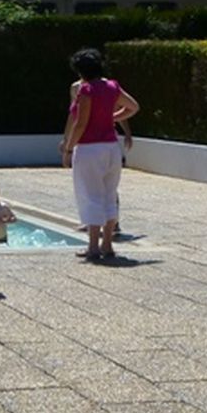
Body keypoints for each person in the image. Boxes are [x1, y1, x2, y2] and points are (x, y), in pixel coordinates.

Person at [59, 48, 140, 261]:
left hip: (89, 148)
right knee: (109, 194)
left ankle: (93, 246)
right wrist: (110, 116)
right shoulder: (112, 86)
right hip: (111, 147)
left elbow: (80, 123)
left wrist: (68, 148)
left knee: (90, 195)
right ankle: (107, 244)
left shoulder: (86, 90)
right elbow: (133, 107)